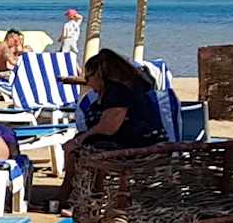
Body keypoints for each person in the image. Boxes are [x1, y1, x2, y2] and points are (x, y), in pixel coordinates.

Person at [59, 49, 167, 177]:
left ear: (98, 75)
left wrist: (78, 141)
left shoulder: (117, 92)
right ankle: (72, 185)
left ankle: (77, 186)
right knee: (78, 145)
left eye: (88, 77)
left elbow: (108, 127)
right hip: (137, 140)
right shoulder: (117, 91)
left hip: (136, 145)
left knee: (82, 148)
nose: (87, 82)